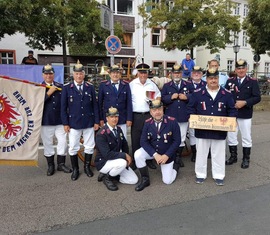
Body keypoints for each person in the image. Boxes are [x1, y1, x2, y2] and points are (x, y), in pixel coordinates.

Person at [187, 68, 237, 186]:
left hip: (219, 130)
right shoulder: (197, 93)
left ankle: (219, 175)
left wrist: (232, 119)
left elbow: (232, 110)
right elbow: (190, 108)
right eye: (210, 78)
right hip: (202, 129)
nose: (213, 80)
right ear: (206, 79)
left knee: (218, 154)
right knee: (201, 153)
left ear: (218, 79)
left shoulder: (226, 94)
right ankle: (200, 174)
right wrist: (191, 118)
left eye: (215, 78)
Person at [61, 60, 99, 181]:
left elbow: (95, 106)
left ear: (84, 74)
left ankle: (87, 167)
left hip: (88, 121)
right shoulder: (67, 88)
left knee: (89, 146)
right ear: (73, 75)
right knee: (73, 147)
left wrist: (97, 121)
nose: (79, 76)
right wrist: (65, 123)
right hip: (74, 123)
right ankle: (76, 169)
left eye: (81, 73)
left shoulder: (90, 87)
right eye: (77, 74)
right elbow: (63, 108)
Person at [134, 100, 181, 191]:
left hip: (166, 153)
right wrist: (155, 154)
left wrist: (167, 155)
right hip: (154, 152)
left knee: (167, 181)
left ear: (163, 109)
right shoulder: (147, 123)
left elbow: (177, 141)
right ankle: (145, 179)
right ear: (151, 112)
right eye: (154, 110)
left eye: (159, 109)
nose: (157, 112)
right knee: (138, 154)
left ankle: (176, 165)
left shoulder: (172, 121)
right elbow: (143, 141)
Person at [225, 60, 261, 169]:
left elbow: (257, 97)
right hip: (232, 113)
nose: (241, 70)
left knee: (246, 137)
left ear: (246, 69)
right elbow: (225, 94)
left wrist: (245, 102)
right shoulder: (230, 81)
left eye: (242, 68)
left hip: (245, 113)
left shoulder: (252, 81)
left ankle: (246, 158)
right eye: (238, 68)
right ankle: (233, 156)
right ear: (235, 70)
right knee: (231, 136)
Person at [95, 107, 138, 191]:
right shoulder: (101, 134)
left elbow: (125, 145)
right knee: (122, 163)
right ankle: (107, 178)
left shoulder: (118, 129)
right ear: (107, 118)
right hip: (104, 162)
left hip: (116, 160)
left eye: (116, 117)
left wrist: (126, 156)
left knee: (133, 180)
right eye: (112, 117)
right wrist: (124, 156)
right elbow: (107, 154)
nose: (114, 119)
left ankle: (113, 174)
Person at [40, 64, 72, 176]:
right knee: (48, 143)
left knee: (63, 142)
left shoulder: (61, 86)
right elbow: (37, 104)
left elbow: (66, 104)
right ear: (43, 75)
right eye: (46, 74)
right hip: (46, 120)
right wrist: (49, 93)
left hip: (60, 120)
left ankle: (61, 164)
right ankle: (50, 165)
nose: (48, 76)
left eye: (50, 73)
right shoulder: (38, 87)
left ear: (54, 74)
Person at [129, 63, 161, 170]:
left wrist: (154, 104)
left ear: (148, 73)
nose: (143, 75)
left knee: (150, 137)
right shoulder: (132, 84)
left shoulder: (152, 84)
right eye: (141, 73)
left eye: (145, 73)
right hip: (136, 115)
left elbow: (159, 96)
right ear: (137, 73)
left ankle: (149, 159)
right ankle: (134, 160)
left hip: (148, 114)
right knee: (136, 138)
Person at [161, 64, 192, 167]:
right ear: (171, 74)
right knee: (171, 137)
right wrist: (171, 97)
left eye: (179, 72)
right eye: (175, 73)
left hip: (183, 115)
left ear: (181, 73)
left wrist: (186, 97)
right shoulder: (167, 85)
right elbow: (163, 99)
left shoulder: (188, 84)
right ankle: (172, 156)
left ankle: (178, 157)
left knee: (182, 137)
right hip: (171, 116)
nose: (177, 74)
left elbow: (195, 96)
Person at [98, 65, 132, 138]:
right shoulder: (103, 85)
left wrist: (129, 118)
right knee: (109, 140)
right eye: (113, 73)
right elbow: (99, 104)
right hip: (108, 118)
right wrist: (100, 118)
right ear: (110, 74)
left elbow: (129, 103)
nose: (115, 75)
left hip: (122, 118)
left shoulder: (126, 85)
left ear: (120, 74)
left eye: (117, 73)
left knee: (122, 139)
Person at [188, 66, 207, 162]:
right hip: (189, 112)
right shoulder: (186, 84)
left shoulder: (206, 84)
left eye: (198, 73)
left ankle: (204, 152)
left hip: (202, 112)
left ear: (202, 74)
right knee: (192, 133)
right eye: (194, 72)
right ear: (191, 74)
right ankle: (194, 153)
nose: (196, 74)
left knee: (203, 133)